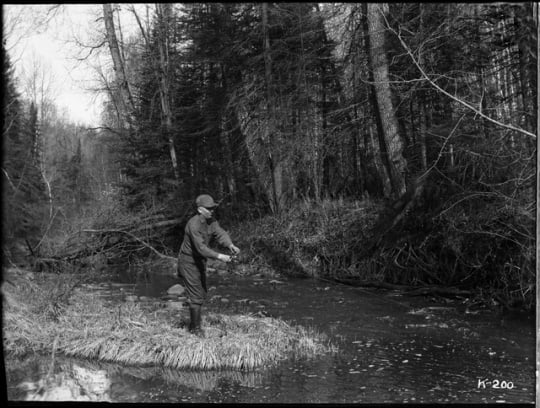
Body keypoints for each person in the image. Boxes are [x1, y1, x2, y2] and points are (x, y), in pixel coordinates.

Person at [177, 194, 240, 336]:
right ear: (200, 209)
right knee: (196, 295)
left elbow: (220, 233)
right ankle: (195, 329)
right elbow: (201, 248)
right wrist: (220, 257)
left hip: (200, 261)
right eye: (209, 208)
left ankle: (194, 324)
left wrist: (230, 245)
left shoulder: (212, 221)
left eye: (213, 208)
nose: (212, 211)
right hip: (188, 262)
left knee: (202, 292)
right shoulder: (194, 224)